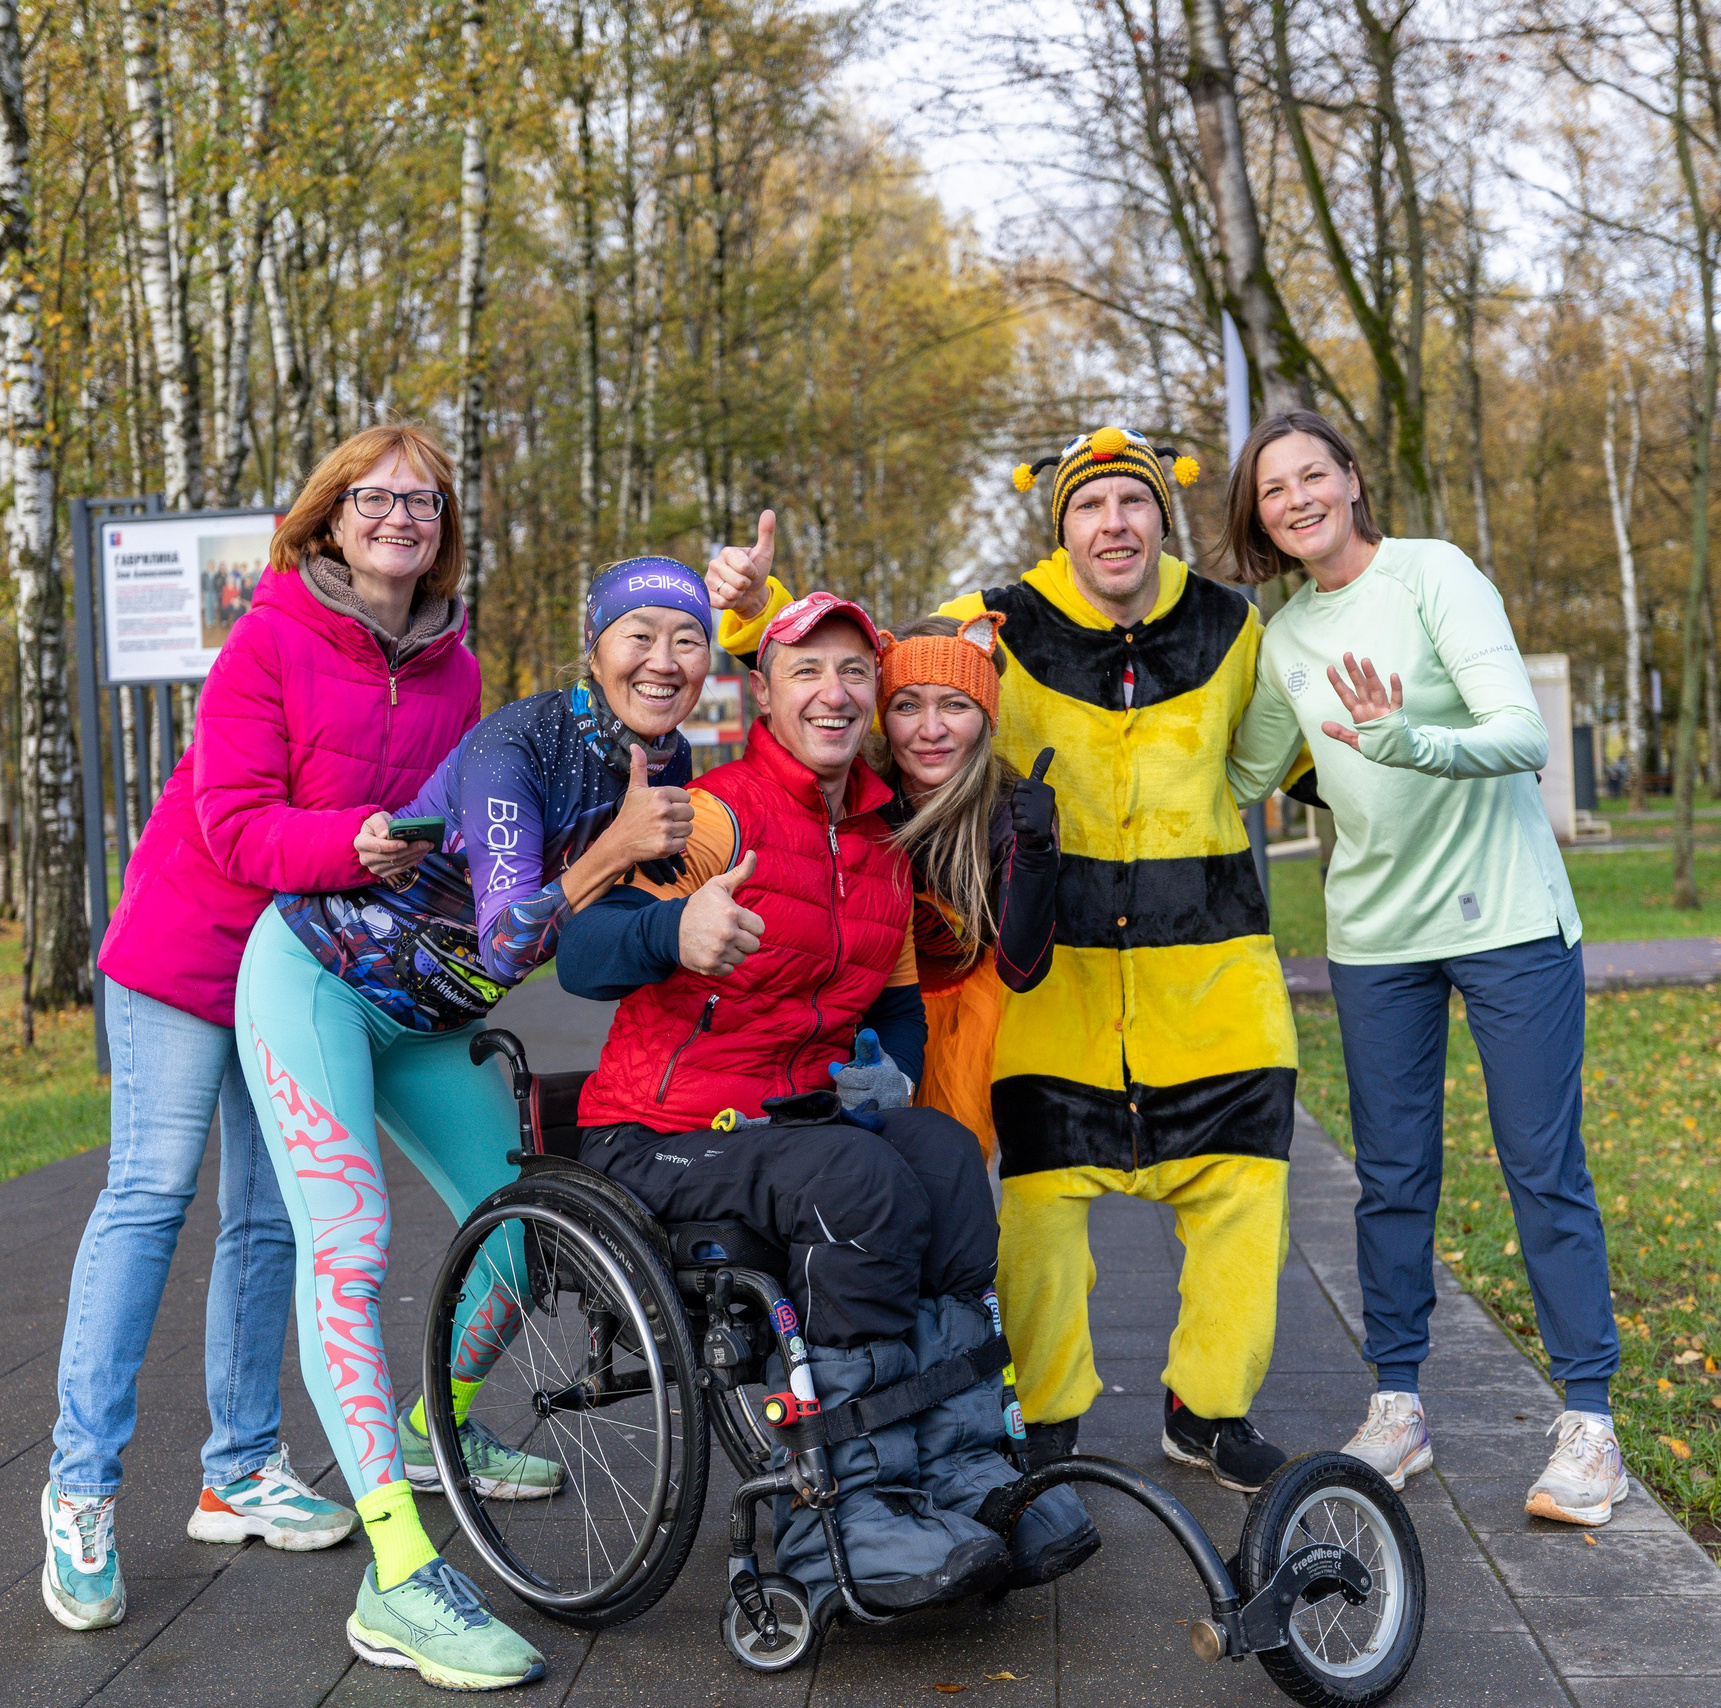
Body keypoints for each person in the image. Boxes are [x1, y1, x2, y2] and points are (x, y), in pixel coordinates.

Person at [710, 428, 1319, 1496]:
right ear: (1062, 526)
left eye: (1133, 504)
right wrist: (762, 613)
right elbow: (875, 674)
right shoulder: (995, 621)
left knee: (1243, 1198)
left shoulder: (1232, 627)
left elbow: (1303, 750)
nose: (1114, 524)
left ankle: (1209, 1411)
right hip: (1054, 984)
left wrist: (1405, 747)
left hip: (1213, 982)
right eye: (1091, 508)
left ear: (1161, 518)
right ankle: (1045, 1418)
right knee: (1038, 1213)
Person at [556, 591, 1098, 1612]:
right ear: (764, 690)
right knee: (857, 1180)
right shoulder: (716, 814)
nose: (834, 691)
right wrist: (670, 935)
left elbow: (897, 1010)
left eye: (855, 672)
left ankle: (964, 1472)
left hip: (789, 1125)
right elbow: (579, 955)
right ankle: (835, 1515)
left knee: (938, 1152)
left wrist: (884, 1071)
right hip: (659, 1132)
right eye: (807, 670)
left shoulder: (883, 844)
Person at [235, 558, 718, 1688]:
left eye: (687, 639)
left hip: (431, 1018)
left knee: (519, 1238)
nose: (663, 659)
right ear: (591, 644)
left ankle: (425, 1426)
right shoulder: (519, 748)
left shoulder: (663, 760)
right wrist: (609, 854)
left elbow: (604, 951)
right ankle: (396, 1578)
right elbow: (511, 941)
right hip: (317, 981)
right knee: (349, 1245)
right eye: (638, 634)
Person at [49, 422, 480, 1632]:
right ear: (330, 515)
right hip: (194, 953)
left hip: (310, 972)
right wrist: (352, 845)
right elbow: (234, 824)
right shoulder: (270, 636)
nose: (404, 517)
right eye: (379, 497)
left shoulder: (453, 667)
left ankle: (236, 1467)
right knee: (152, 1191)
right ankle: (78, 1484)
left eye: (428, 502)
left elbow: (447, 819)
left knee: (275, 1212)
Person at [1223, 407, 1623, 1526]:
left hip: (1504, 916)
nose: (1296, 498)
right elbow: (1239, 768)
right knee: (1390, 1180)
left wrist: (1405, 741)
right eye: (1272, 489)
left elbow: (1519, 736)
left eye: (1313, 474)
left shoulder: (1432, 574)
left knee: (1539, 1165)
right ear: (1258, 517)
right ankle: (1396, 1404)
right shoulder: (1285, 633)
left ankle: (1587, 1424)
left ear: (1351, 479)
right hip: (1376, 936)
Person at [866, 613, 1060, 1158]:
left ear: (987, 715)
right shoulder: (859, 796)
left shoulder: (1009, 809)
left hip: (960, 1023)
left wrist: (1035, 853)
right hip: (860, 1013)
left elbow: (1022, 971)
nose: (931, 730)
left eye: (955, 704)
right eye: (907, 705)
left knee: (941, 1176)